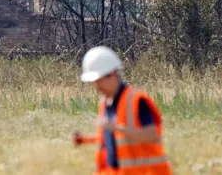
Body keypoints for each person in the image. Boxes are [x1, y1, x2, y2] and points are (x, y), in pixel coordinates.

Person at [72, 46, 172, 174]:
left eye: (99, 80)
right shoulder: (105, 104)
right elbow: (115, 140)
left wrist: (116, 128)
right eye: (93, 81)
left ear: (112, 75)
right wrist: (84, 140)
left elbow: (152, 135)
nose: (96, 86)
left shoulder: (136, 100)